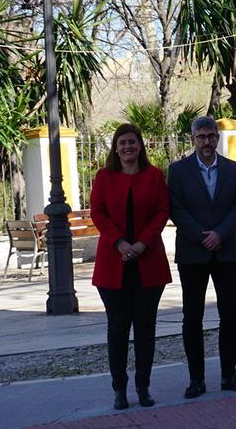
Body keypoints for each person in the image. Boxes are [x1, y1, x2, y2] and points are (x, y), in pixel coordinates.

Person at [89, 123, 172, 410]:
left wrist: (142, 244)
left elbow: (163, 212)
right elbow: (97, 213)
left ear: (140, 146)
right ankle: (119, 388)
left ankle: (143, 386)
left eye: (132, 142)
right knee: (118, 329)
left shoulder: (154, 176)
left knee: (146, 328)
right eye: (122, 142)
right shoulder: (104, 177)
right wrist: (121, 243)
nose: (128, 147)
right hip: (114, 264)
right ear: (115, 147)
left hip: (148, 263)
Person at [168, 116, 236, 399]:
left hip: (226, 251)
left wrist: (220, 233)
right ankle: (197, 380)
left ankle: (229, 374)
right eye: (201, 137)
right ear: (192, 139)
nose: (206, 142)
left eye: (211, 136)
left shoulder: (232, 168)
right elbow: (175, 209)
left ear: (217, 137)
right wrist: (202, 235)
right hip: (193, 253)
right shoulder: (178, 171)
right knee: (192, 318)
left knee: (230, 315)